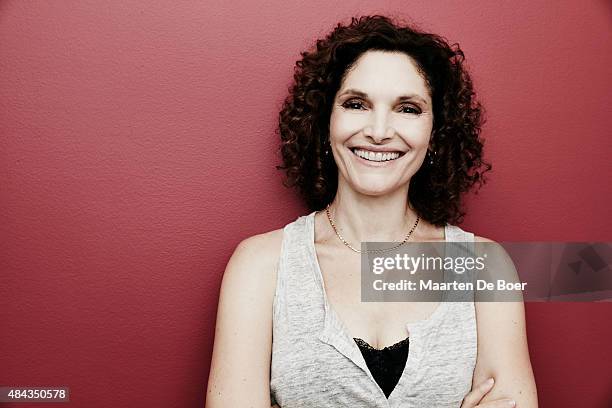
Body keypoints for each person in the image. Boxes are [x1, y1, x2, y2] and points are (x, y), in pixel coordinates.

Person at [206, 15, 538, 408]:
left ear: (435, 133)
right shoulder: (260, 266)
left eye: (408, 108)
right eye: (357, 104)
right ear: (325, 121)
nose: (379, 131)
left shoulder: (486, 267)